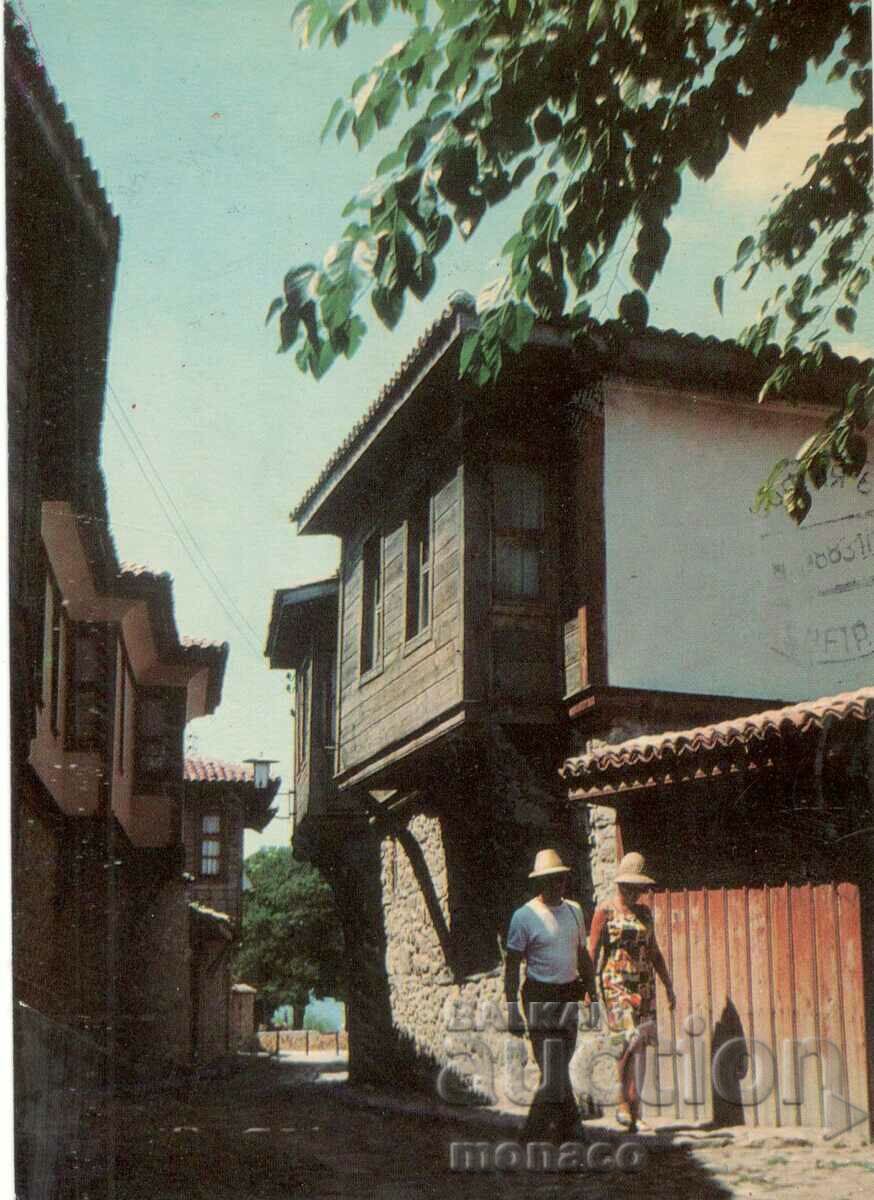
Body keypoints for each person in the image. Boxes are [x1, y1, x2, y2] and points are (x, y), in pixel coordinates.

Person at [504, 849, 596, 1143]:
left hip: (569, 994)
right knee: (552, 1067)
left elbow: (582, 955)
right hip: (539, 997)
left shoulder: (574, 911)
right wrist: (512, 1010)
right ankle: (573, 1132)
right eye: (549, 880)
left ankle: (532, 1134)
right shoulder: (524, 917)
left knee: (557, 1069)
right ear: (539, 883)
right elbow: (511, 966)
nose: (556, 885)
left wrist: (592, 992)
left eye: (560, 879)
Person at [587, 851, 676, 1133]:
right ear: (621, 885)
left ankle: (636, 1109)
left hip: (643, 984)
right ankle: (621, 1103)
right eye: (632, 887)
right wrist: (588, 988)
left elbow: (653, 950)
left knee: (641, 1046)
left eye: (641, 888)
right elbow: (592, 951)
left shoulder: (645, 913)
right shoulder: (605, 911)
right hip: (615, 983)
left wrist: (667, 983)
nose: (637, 893)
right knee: (626, 1040)